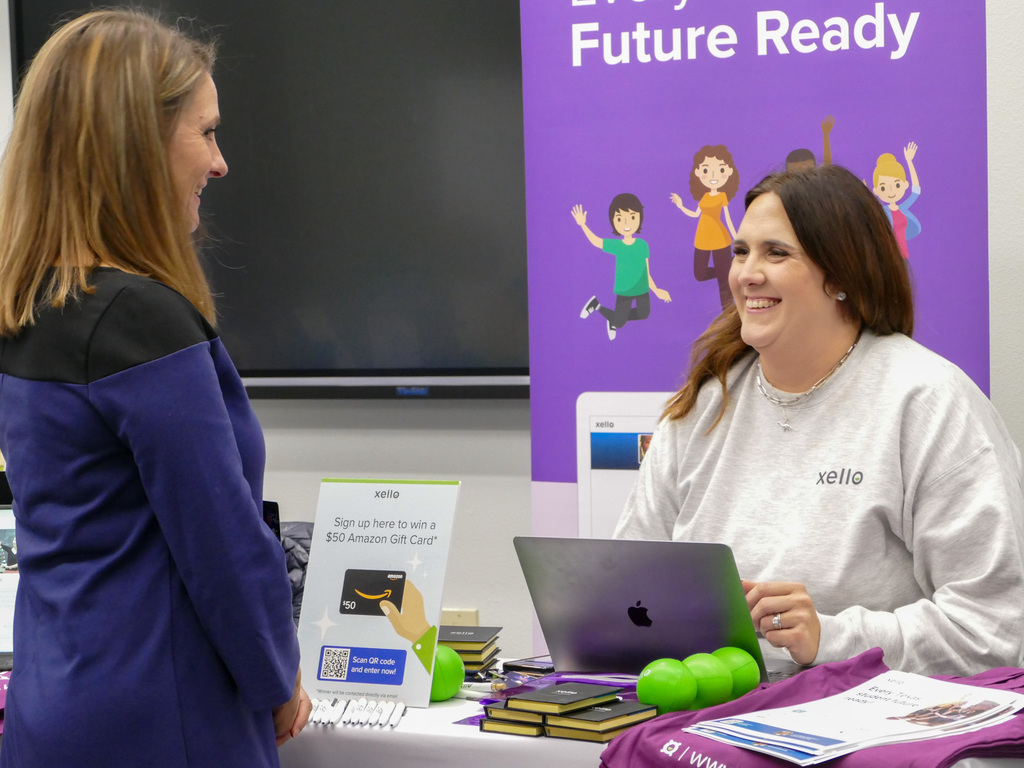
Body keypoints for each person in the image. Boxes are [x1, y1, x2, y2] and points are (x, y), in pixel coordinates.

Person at [0, 9, 310, 767]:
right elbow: (221, 542)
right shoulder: (139, 318)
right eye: (205, 132)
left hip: (53, 706)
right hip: (166, 718)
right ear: (136, 145)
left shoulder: (25, 306)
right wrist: (279, 675)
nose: (220, 162)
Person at [616, 164, 1024, 677]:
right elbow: (626, 591)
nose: (746, 274)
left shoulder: (928, 401)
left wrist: (830, 637)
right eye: (741, 251)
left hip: (868, 733)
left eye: (777, 253)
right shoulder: (702, 404)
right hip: (704, 719)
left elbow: (990, 631)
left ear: (841, 277)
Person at [575, 193, 671, 341]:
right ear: (613, 221)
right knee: (619, 323)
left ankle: (611, 319)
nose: (627, 224)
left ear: (639, 218)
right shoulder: (617, 246)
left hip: (642, 289)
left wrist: (657, 290)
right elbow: (596, 241)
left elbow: (647, 271)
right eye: (620, 219)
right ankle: (597, 306)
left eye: (632, 217)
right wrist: (583, 225)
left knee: (644, 314)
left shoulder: (642, 245)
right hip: (625, 290)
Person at [670, 145, 740, 310]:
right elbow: (695, 215)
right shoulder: (704, 197)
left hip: (720, 239)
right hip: (702, 239)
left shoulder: (722, 196)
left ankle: (727, 314)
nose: (714, 176)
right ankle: (727, 266)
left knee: (724, 282)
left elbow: (728, 219)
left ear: (728, 172)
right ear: (698, 173)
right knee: (699, 274)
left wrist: (739, 240)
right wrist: (680, 206)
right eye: (707, 171)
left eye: (720, 170)